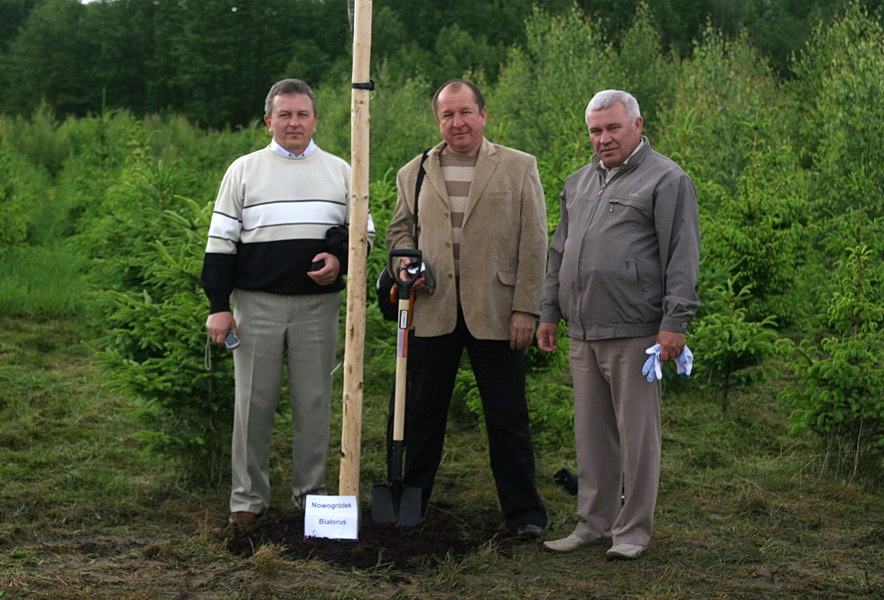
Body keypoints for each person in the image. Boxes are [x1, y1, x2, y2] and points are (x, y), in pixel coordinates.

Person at [201, 79, 374, 533]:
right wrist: (219, 306)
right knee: (253, 402)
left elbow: (364, 233)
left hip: (316, 309)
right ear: (268, 121)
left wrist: (340, 259)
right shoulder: (243, 171)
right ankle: (248, 499)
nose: (293, 122)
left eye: (302, 114)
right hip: (255, 306)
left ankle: (311, 498)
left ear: (315, 119)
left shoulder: (342, 171)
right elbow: (220, 244)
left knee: (314, 402)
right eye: (284, 115)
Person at [537, 90, 699, 559]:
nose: (603, 139)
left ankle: (632, 532)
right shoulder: (578, 182)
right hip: (582, 331)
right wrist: (550, 310)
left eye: (612, 128)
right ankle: (593, 524)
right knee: (591, 435)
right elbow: (558, 253)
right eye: (595, 130)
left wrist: (675, 321)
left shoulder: (667, 180)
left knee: (637, 435)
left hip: (636, 331)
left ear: (637, 125)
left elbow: (682, 256)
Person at [385, 79, 548, 539]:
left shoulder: (519, 167)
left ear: (483, 114)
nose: (456, 123)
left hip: (497, 311)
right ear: (438, 120)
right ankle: (411, 505)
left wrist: (526, 309)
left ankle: (525, 515)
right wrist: (405, 265)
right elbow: (400, 233)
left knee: (508, 418)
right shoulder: (414, 171)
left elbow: (535, 243)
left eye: (464, 113)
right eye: (447, 115)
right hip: (432, 311)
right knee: (420, 414)